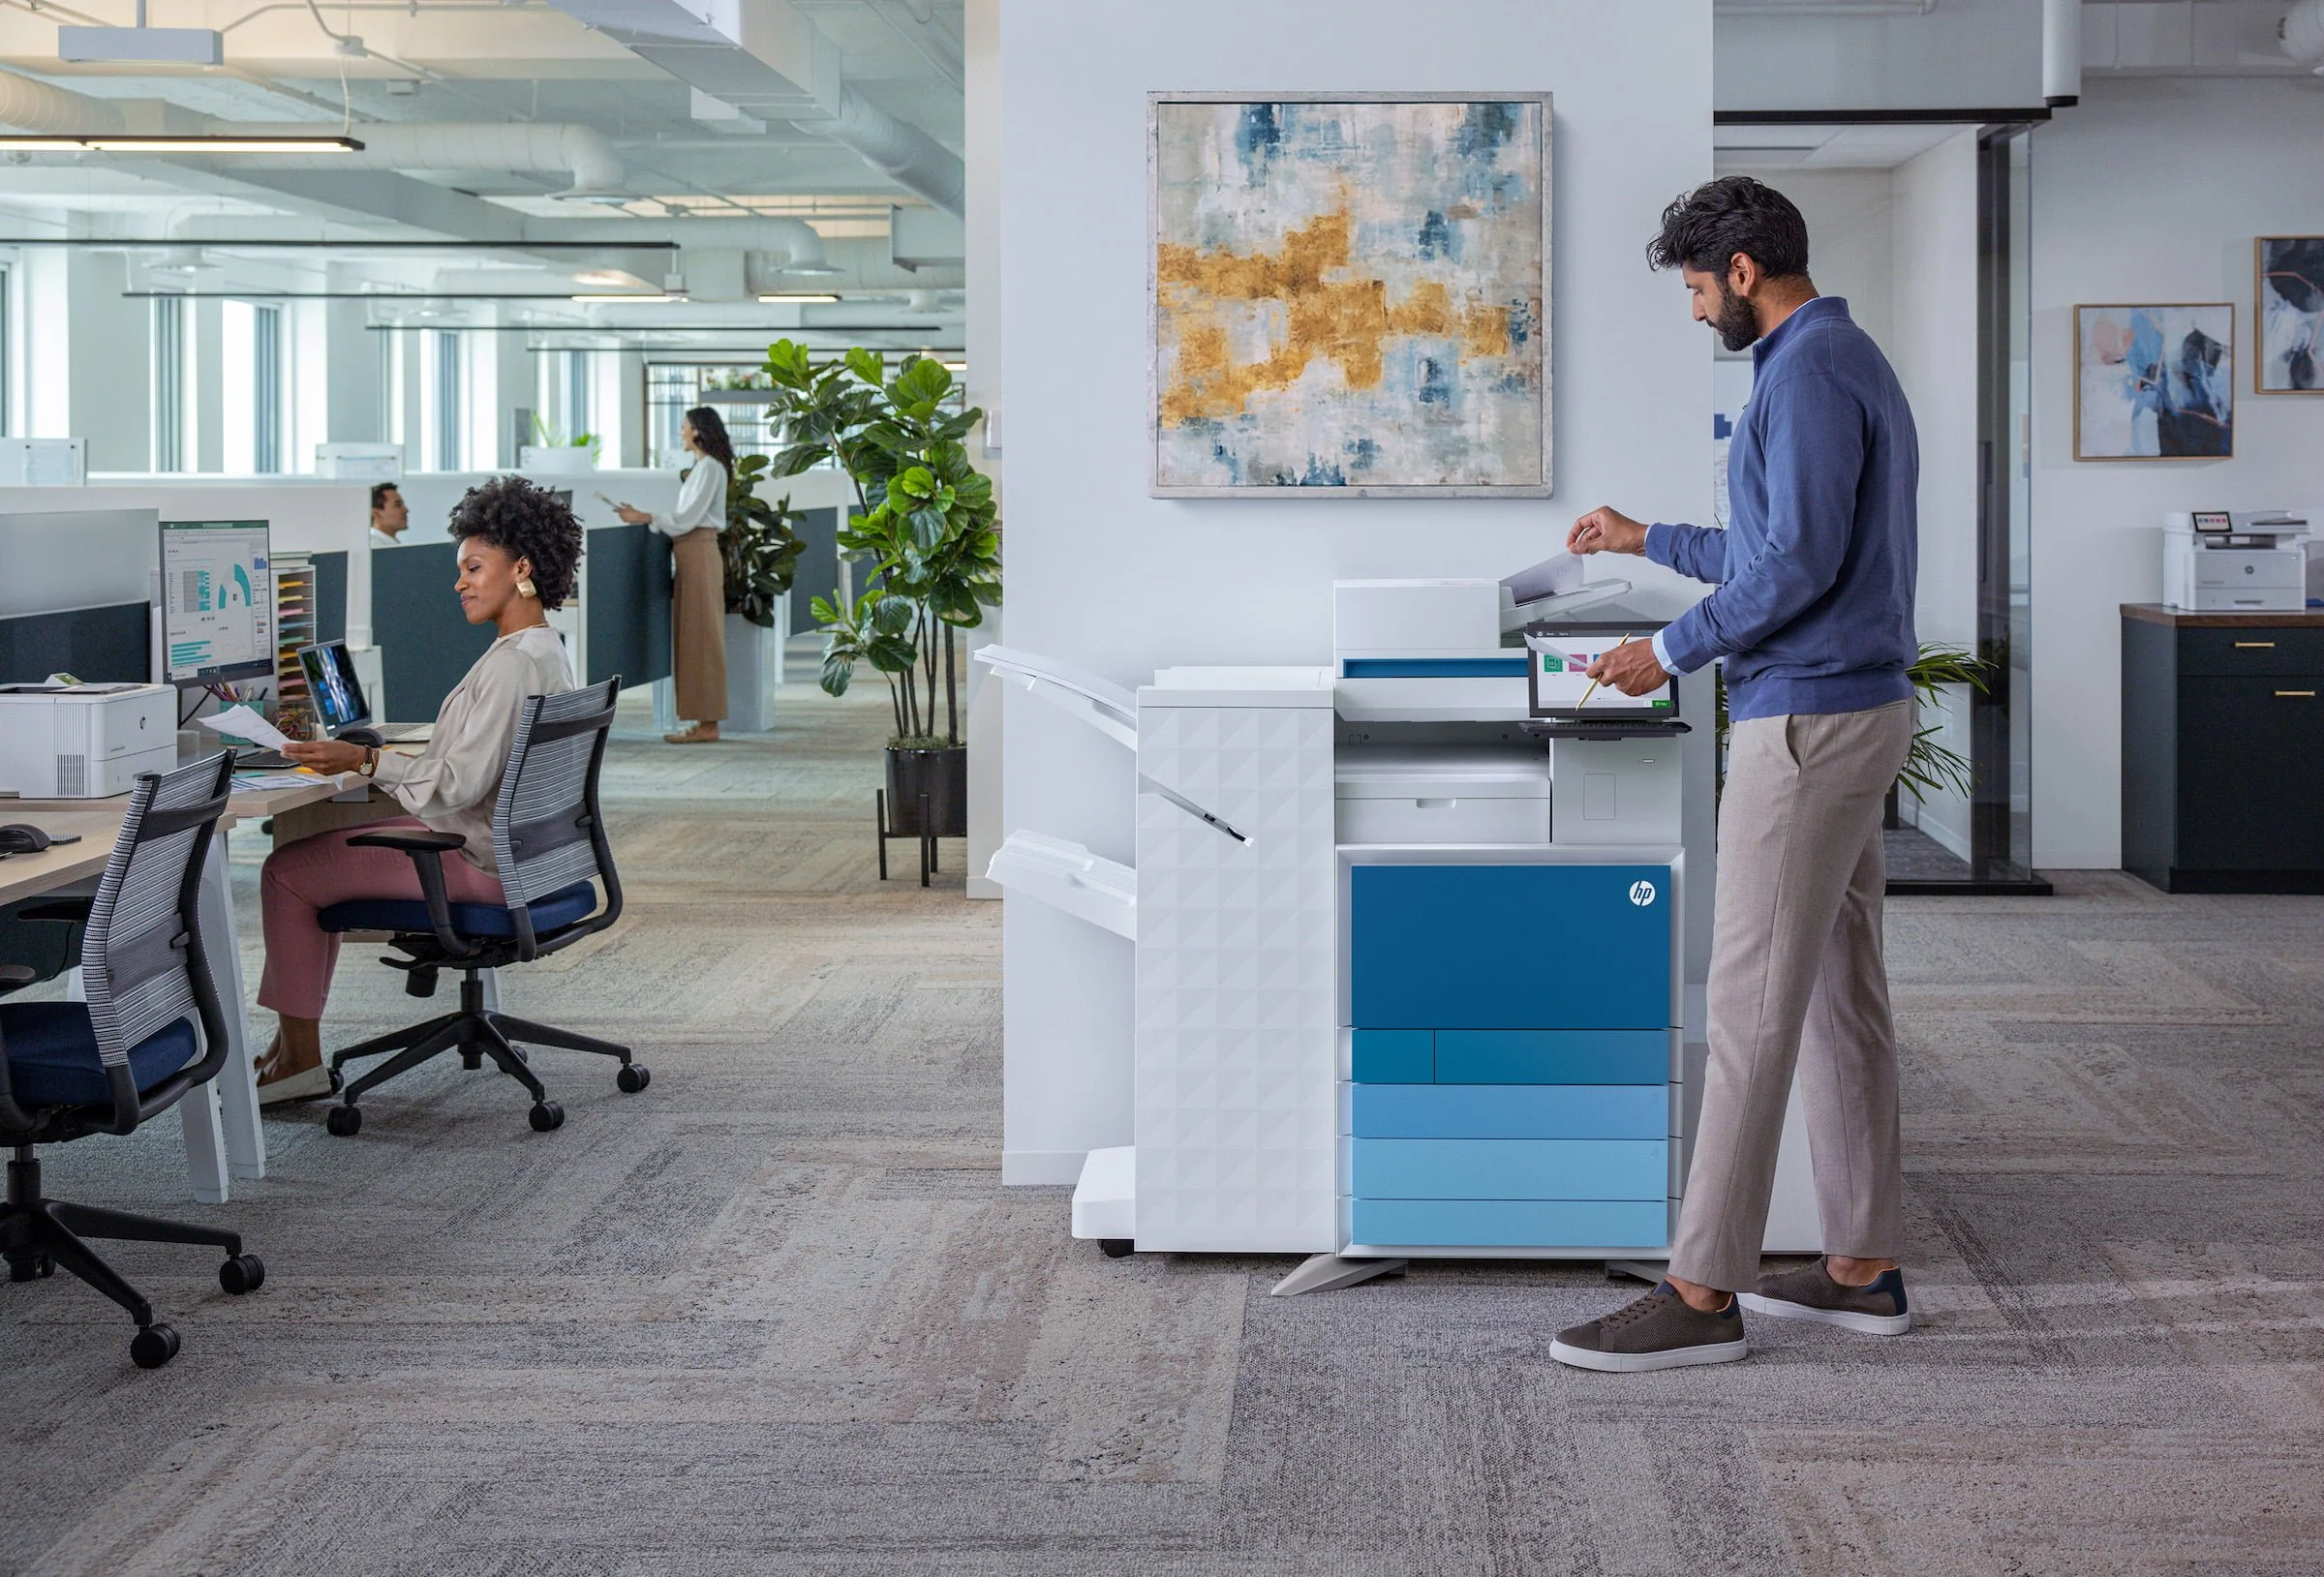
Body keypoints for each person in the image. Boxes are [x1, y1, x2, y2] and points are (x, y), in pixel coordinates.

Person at [1547, 176, 1920, 1373]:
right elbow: (1774, 549)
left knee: (1753, 1003)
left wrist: (1663, 653)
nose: (1698, 309)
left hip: (1807, 722)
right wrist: (1642, 537)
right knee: (1838, 991)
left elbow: (1794, 568)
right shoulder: (1837, 358)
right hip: (1853, 705)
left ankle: (1704, 1291)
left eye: (1701, 287)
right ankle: (1860, 1264)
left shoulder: (1806, 374)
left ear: (1746, 270)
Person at [250, 475, 581, 1105]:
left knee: (286, 872)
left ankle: (298, 1057)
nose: (459, 581)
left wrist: (368, 759)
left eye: (474, 567)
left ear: (523, 568)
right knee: (323, 850)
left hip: (479, 863)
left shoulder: (513, 663)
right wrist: (383, 757)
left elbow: (457, 782)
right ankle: (291, 1050)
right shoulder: (545, 651)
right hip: (525, 858)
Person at [617, 407, 728, 743]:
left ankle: (709, 723)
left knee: (703, 637)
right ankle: (703, 720)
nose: (680, 433)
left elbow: (688, 517)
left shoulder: (709, 468)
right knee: (694, 637)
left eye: (684, 427)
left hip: (699, 552)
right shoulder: (701, 468)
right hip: (691, 553)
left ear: (698, 431)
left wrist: (643, 516)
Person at [370, 482, 409, 548]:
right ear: (376, 513)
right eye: (397, 505)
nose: (406, 510)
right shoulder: (374, 547)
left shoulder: (388, 545)